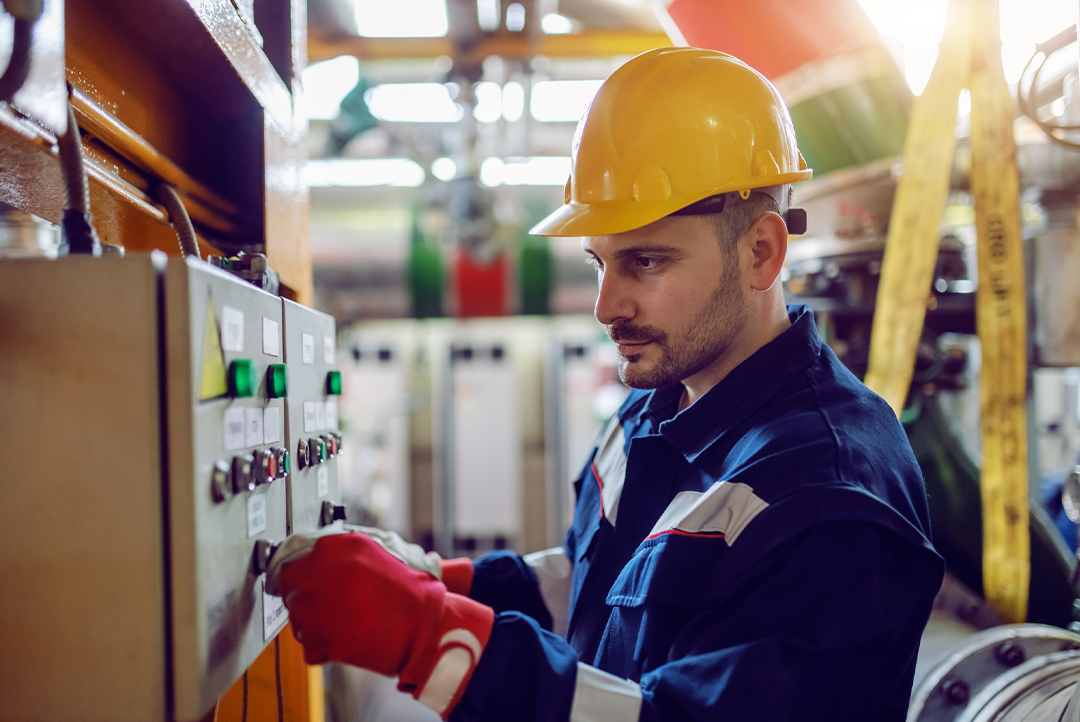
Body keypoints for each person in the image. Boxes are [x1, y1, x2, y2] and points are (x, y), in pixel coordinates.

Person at [267, 47, 944, 721]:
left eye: (645, 261)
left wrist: (435, 641)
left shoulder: (827, 494)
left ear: (760, 251)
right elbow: (610, 586)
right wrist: (444, 583)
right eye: (599, 263)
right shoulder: (658, 400)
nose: (606, 306)